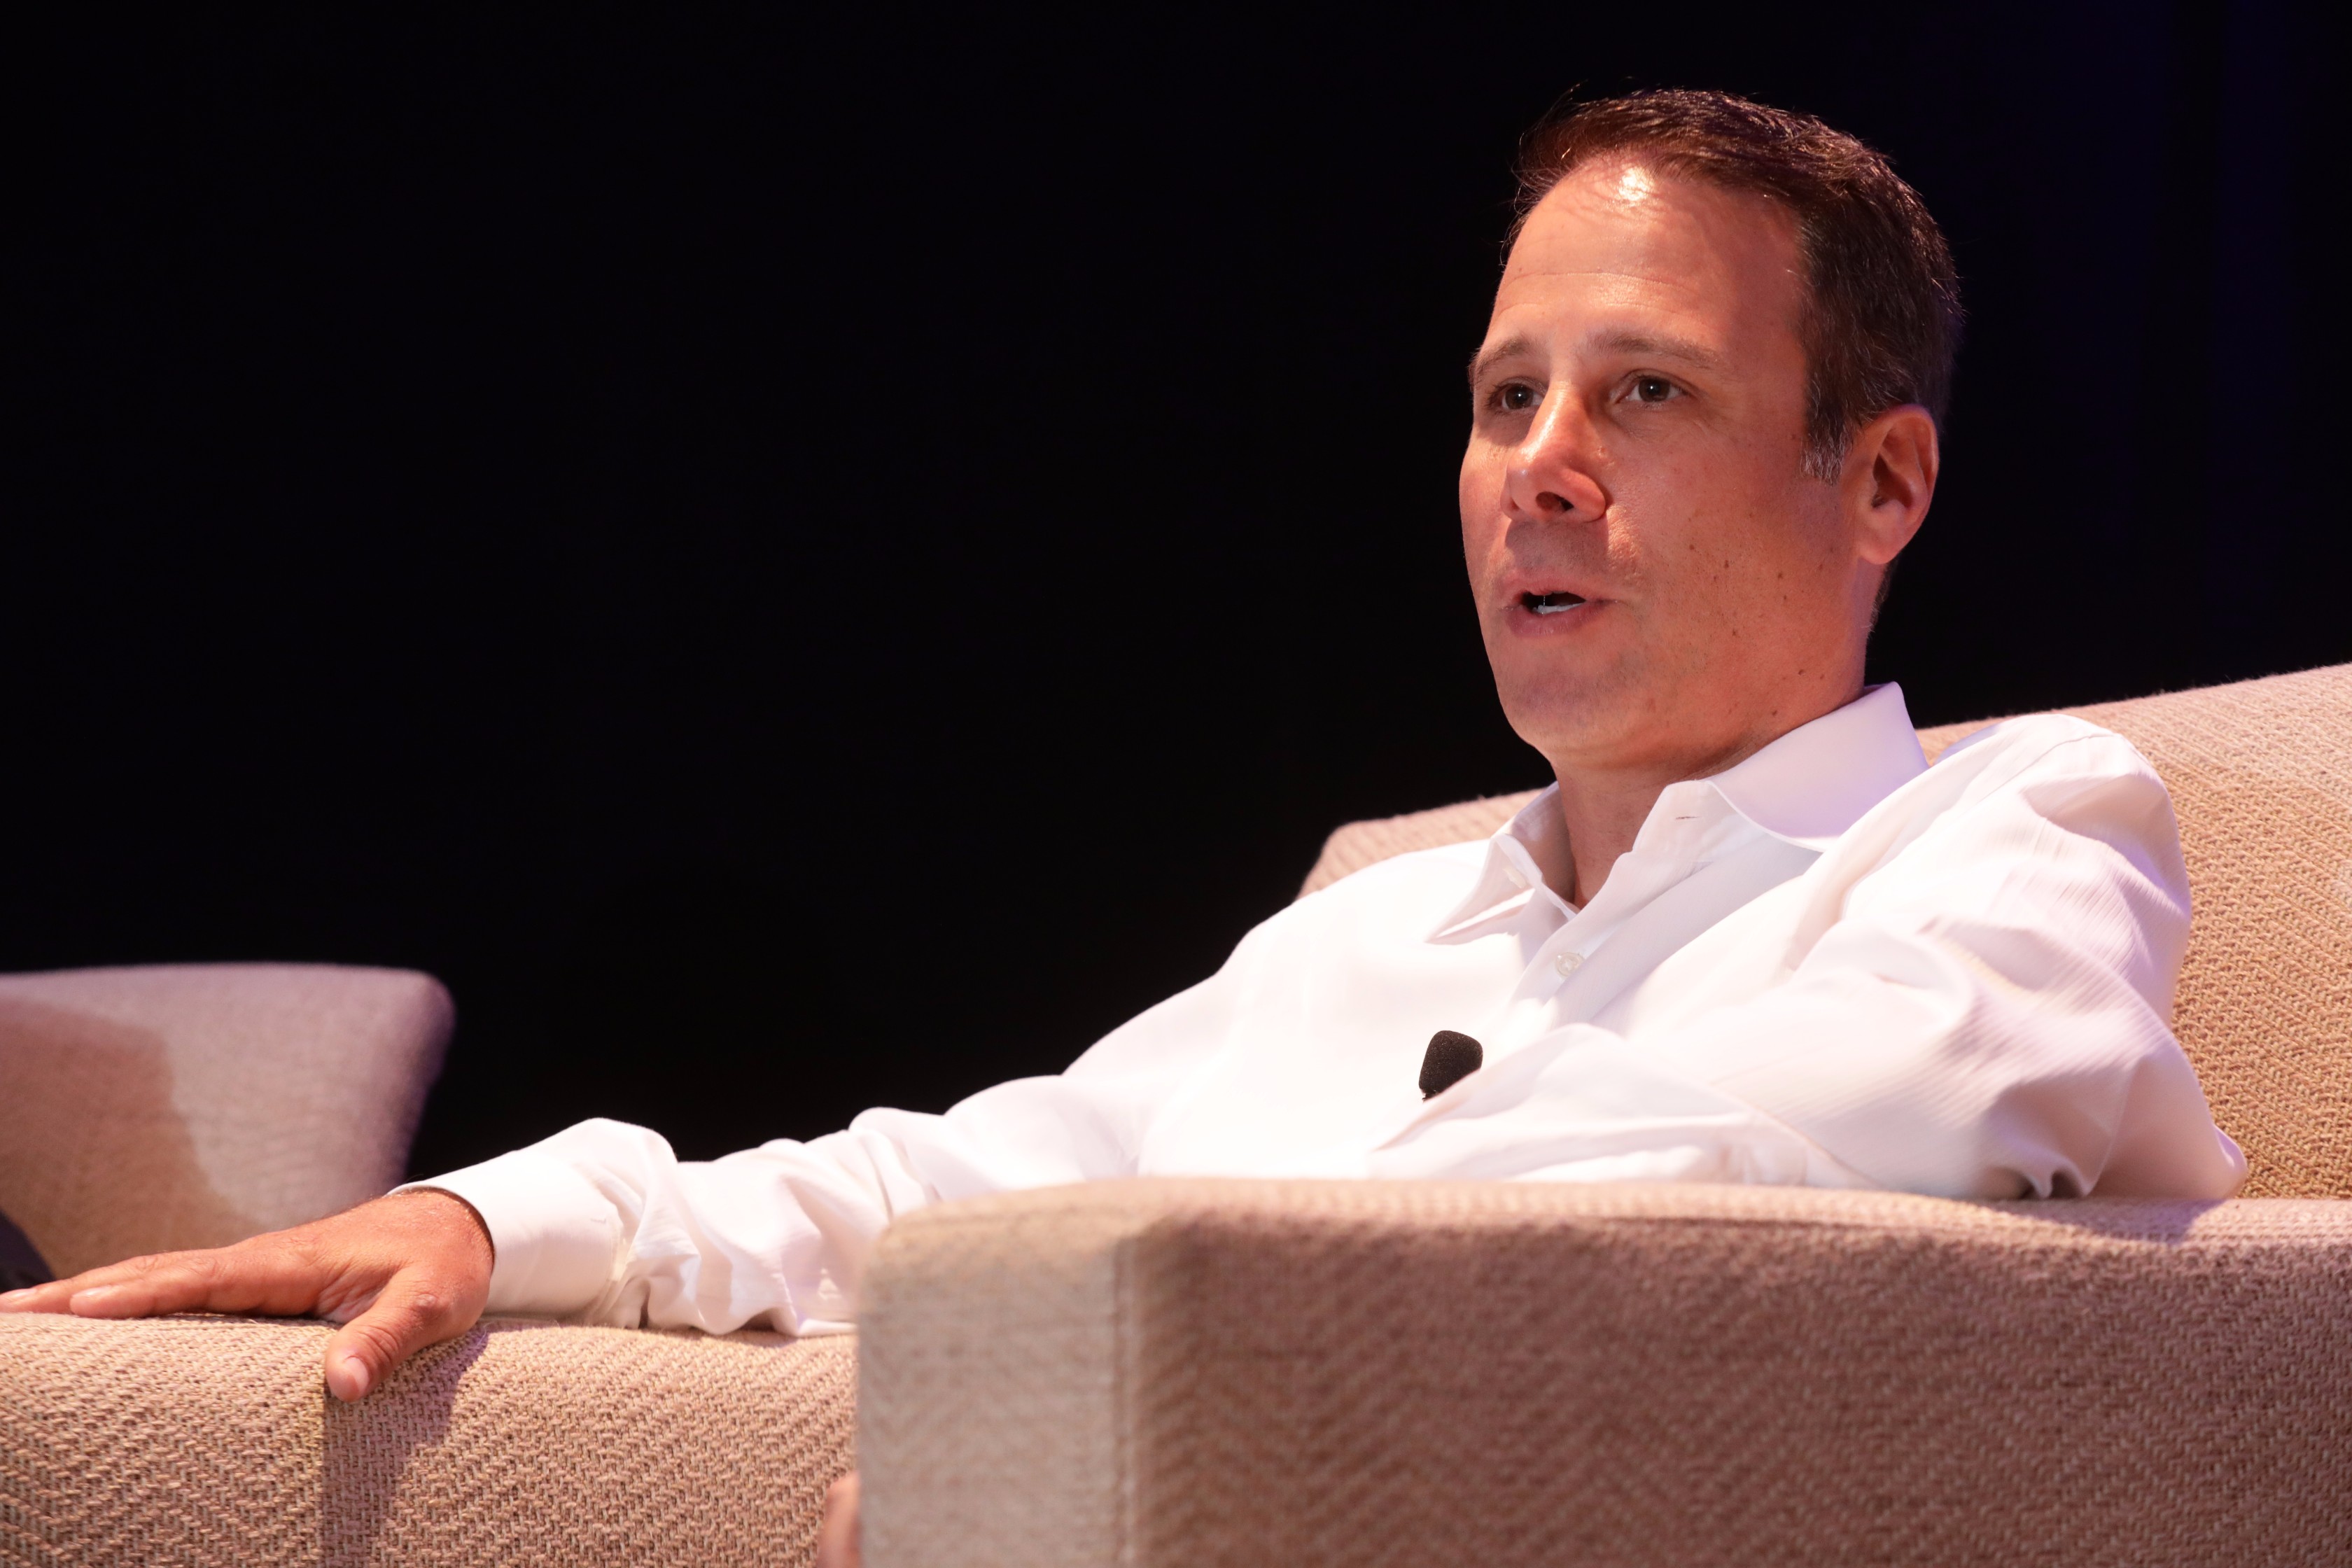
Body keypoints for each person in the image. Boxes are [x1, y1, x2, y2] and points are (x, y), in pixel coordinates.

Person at [0, 88, 2245, 1563]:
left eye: (1642, 391)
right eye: (1503, 398)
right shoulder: (1378, 931)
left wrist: (1179, 1346)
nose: (1537, 468)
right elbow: (979, 1183)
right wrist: (512, 1219)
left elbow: (1808, 1133)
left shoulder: (2014, 831)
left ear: (1883, 478)